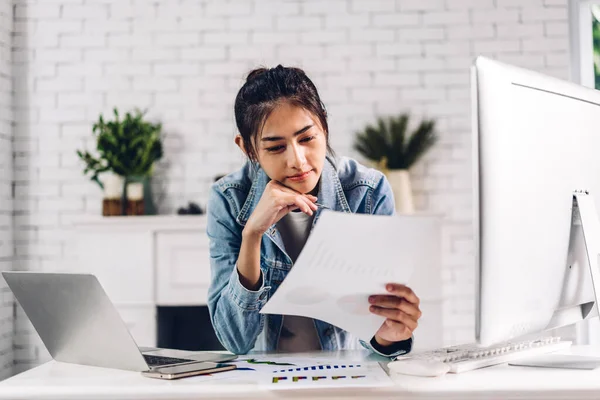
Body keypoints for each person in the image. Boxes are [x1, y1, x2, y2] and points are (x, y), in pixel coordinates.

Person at [207, 65, 422, 358]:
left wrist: (387, 336)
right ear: (248, 150)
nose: (297, 160)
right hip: (263, 379)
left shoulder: (367, 192)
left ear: (324, 127)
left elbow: (376, 326)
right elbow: (234, 340)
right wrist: (252, 234)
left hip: (344, 377)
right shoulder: (229, 199)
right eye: (276, 147)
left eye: (307, 139)